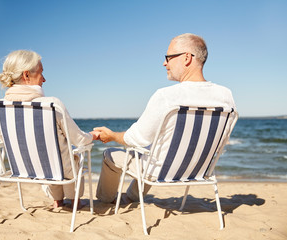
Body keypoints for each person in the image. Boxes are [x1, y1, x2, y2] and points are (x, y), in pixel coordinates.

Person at [94, 33, 237, 203]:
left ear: (186, 58)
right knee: (157, 148)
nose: (164, 63)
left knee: (110, 155)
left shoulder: (166, 96)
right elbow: (222, 139)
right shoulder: (225, 95)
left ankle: (104, 201)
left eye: (168, 57)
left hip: (161, 172)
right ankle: (132, 196)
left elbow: (136, 138)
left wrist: (112, 136)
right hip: (198, 171)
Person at [0, 50, 99, 208]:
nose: (44, 79)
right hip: (61, 171)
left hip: (27, 171)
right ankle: (76, 201)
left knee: (47, 155)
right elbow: (79, 139)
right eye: (41, 73)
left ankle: (57, 201)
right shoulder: (51, 105)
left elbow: (9, 142)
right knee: (69, 156)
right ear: (26, 75)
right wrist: (93, 135)